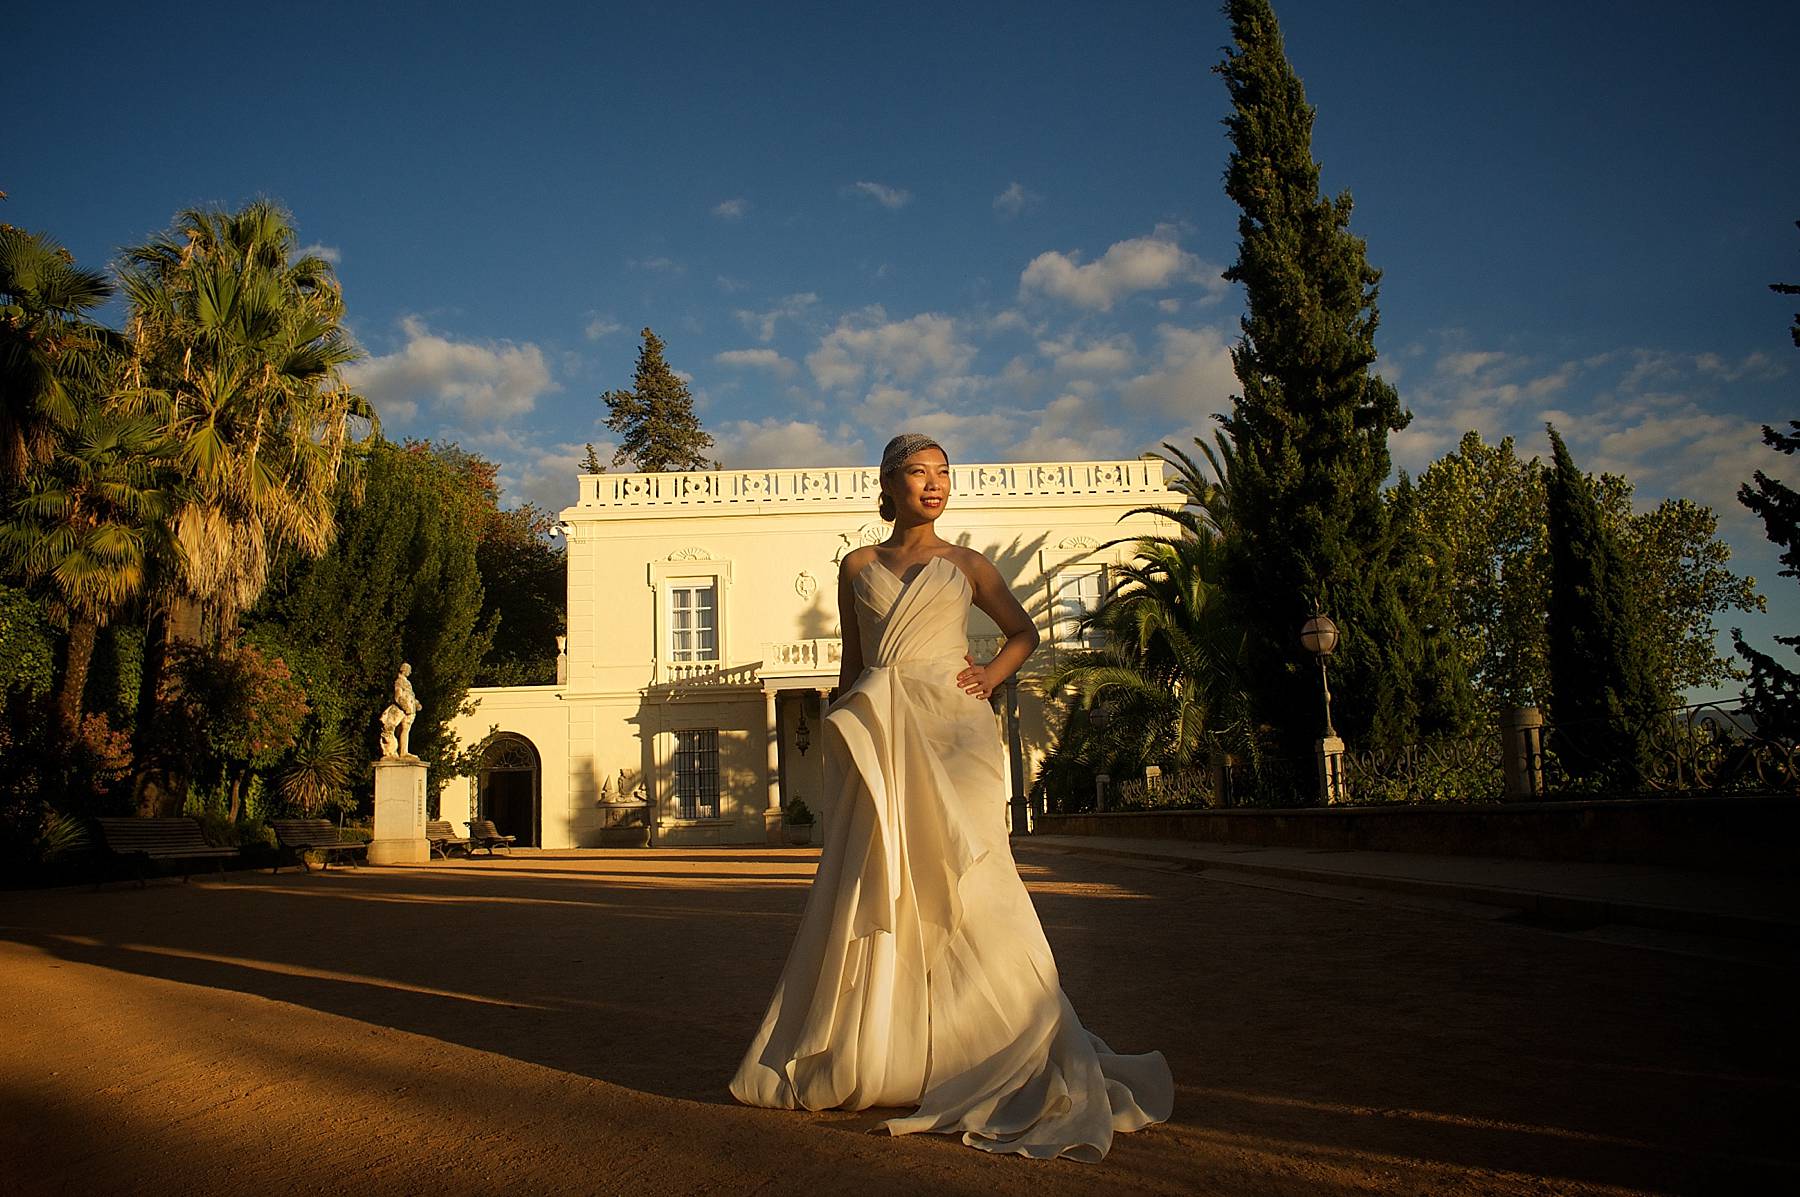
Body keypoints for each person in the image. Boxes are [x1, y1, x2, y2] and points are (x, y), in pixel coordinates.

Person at [729, 434, 1172, 1161]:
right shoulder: (857, 565)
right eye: (918, 472)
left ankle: (1003, 1037)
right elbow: (851, 661)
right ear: (888, 482)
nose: (933, 484)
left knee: (974, 883)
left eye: (943, 473)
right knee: (883, 885)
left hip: (953, 733)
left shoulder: (966, 564)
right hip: (882, 731)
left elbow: (1023, 632)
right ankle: (890, 1051)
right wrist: (844, 751)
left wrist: (991, 676)